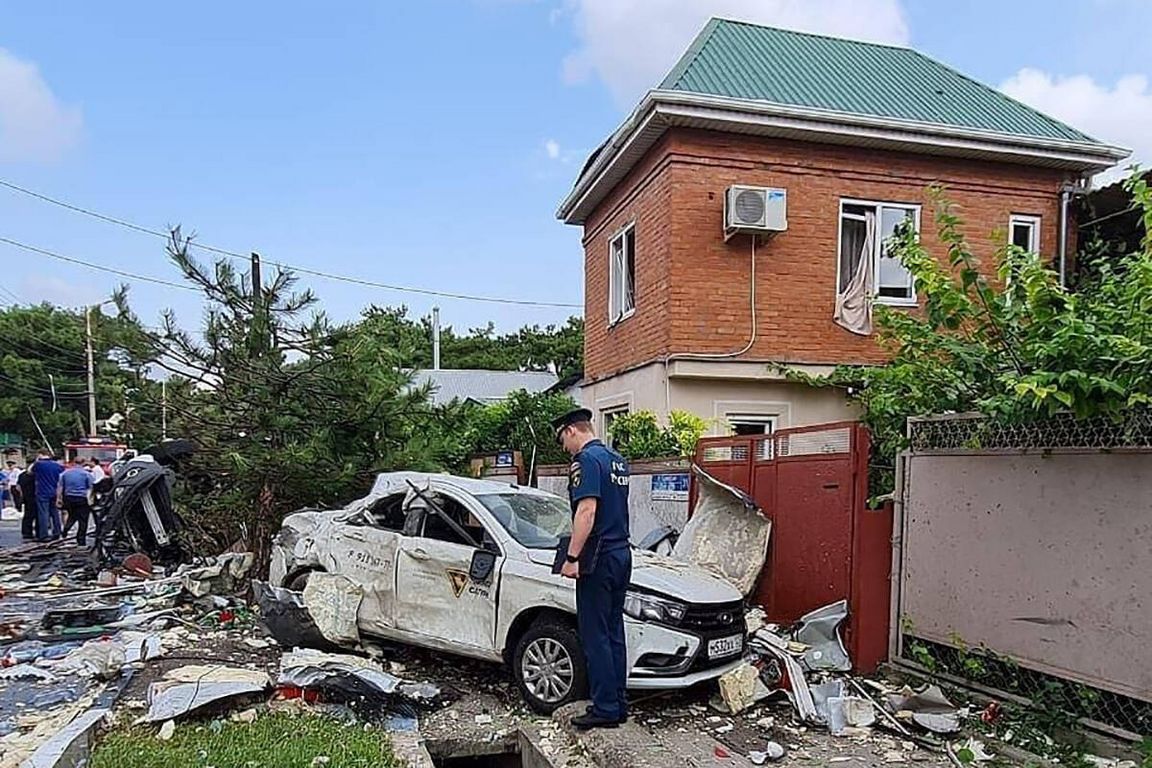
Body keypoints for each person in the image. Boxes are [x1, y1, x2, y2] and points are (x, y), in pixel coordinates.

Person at [553, 407, 632, 730]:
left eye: (563, 440)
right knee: (613, 631)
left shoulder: (585, 460)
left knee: (595, 633)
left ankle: (605, 707)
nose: (565, 449)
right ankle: (618, 702)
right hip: (621, 552)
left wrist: (572, 558)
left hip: (597, 557)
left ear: (571, 430)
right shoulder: (616, 460)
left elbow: (586, 510)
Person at [29, 450, 64, 542]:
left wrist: (36, 460)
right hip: (54, 491)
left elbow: (29, 472)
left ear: (40, 455)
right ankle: (57, 531)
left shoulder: (38, 465)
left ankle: (43, 535)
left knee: (43, 513)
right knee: (55, 513)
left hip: (42, 491)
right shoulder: (57, 466)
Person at [59, 457, 94, 546]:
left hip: (69, 498)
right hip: (81, 498)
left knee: (72, 516)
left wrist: (59, 499)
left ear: (73, 462)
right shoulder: (86, 474)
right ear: (83, 463)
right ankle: (81, 540)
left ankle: (65, 530)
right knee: (83, 520)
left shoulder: (65, 473)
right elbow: (91, 487)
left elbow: (60, 487)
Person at [18, 461, 37, 540]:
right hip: (35, 496)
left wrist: (21, 495)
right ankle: (38, 532)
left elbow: (18, 487)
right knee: (37, 515)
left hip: (26, 497)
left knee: (27, 515)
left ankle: (26, 532)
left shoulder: (22, 475)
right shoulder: (35, 475)